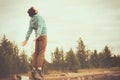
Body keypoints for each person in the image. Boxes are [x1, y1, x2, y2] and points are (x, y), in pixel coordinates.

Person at [22, 7, 47, 79]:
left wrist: (26, 39)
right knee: (41, 52)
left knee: (36, 52)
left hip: (37, 37)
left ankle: (33, 68)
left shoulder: (31, 20)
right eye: (35, 9)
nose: (37, 9)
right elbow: (40, 26)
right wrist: (38, 35)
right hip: (42, 36)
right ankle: (39, 69)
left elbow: (29, 30)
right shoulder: (39, 17)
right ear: (35, 11)